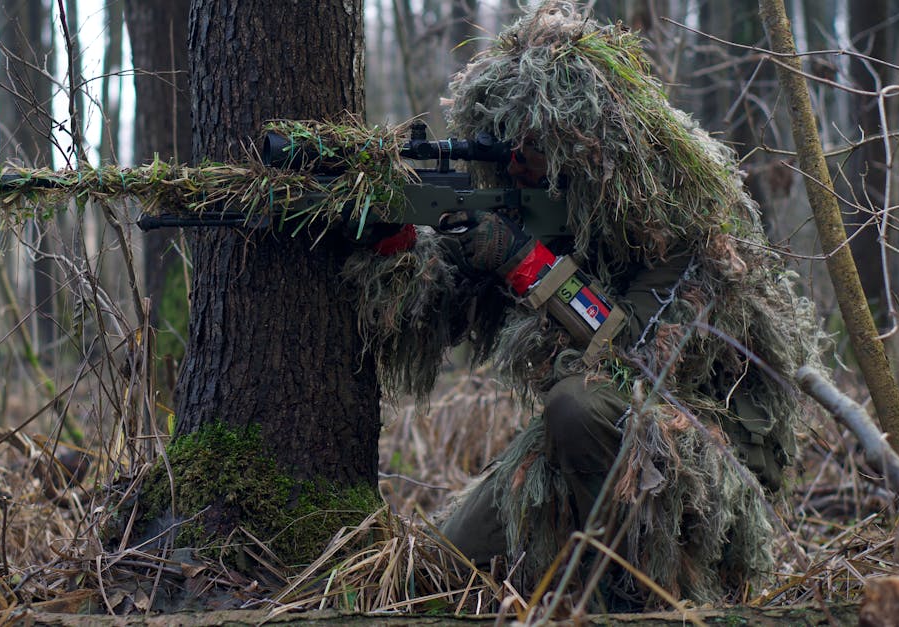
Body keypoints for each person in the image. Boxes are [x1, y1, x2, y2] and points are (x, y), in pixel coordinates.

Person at [345, 1, 822, 607]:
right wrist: (395, 241)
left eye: (534, 143)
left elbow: (635, 356)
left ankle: (642, 603)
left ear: (587, 144)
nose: (516, 161)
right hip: (583, 450)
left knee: (578, 404)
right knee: (439, 568)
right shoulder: (537, 206)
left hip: (705, 467)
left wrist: (524, 260)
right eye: (508, 140)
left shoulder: (685, 223)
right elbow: (438, 309)